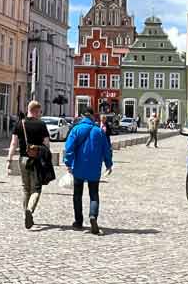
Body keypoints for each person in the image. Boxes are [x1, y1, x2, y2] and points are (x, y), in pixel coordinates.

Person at [63, 107, 113, 235]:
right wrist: (108, 164)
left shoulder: (76, 129)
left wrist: (68, 162)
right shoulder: (99, 131)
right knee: (94, 194)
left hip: (78, 166)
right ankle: (93, 217)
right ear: (92, 116)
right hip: (94, 168)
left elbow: (69, 148)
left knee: (77, 194)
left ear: (82, 116)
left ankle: (78, 221)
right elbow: (106, 149)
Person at [7, 100, 51, 229]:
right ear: (36, 111)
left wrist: (9, 160)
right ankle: (30, 211)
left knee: (26, 188)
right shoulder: (41, 124)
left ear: (28, 109)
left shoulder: (19, 123)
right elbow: (47, 144)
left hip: (23, 159)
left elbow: (13, 143)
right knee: (36, 189)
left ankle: (25, 213)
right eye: (40, 112)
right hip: (36, 160)